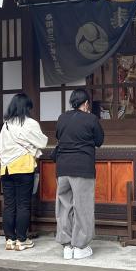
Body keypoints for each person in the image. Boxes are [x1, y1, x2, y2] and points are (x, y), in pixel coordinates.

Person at [54, 88, 104, 260]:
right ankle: (80, 246)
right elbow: (99, 141)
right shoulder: (91, 119)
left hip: (62, 168)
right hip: (82, 168)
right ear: (86, 103)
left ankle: (67, 246)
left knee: (64, 206)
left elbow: (58, 136)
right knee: (82, 207)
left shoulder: (62, 118)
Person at [0, 93, 49, 252]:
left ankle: (9, 240)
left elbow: (1, 148)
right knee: (23, 205)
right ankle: (21, 239)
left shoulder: (5, 125)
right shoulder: (30, 123)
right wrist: (30, 149)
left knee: (9, 205)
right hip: (23, 167)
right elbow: (42, 142)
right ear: (27, 107)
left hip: (6, 168)